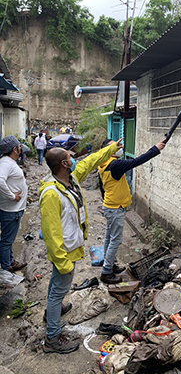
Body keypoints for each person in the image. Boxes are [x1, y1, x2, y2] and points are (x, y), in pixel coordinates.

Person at [39, 138, 123, 354]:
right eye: (70, 158)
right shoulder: (51, 193)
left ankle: (52, 313)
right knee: (59, 289)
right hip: (63, 251)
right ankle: (52, 339)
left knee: (57, 286)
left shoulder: (71, 179)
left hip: (70, 246)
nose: (75, 159)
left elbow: (91, 160)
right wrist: (61, 260)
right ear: (65, 165)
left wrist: (111, 149)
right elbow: (50, 232)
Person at [98, 139, 166, 284]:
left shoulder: (102, 163)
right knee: (115, 240)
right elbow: (136, 161)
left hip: (110, 206)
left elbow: (101, 187)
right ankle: (106, 272)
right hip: (115, 208)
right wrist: (156, 148)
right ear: (107, 151)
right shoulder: (114, 165)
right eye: (115, 146)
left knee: (109, 237)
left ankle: (109, 264)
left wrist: (108, 203)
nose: (120, 147)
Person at [0, 135, 28, 273]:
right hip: (11, 210)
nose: (20, 149)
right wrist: (12, 196)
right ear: (14, 149)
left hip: (13, 209)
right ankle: (6, 267)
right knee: (6, 240)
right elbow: (0, 180)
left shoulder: (8, 162)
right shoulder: (6, 163)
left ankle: (10, 261)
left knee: (8, 238)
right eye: (19, 146)